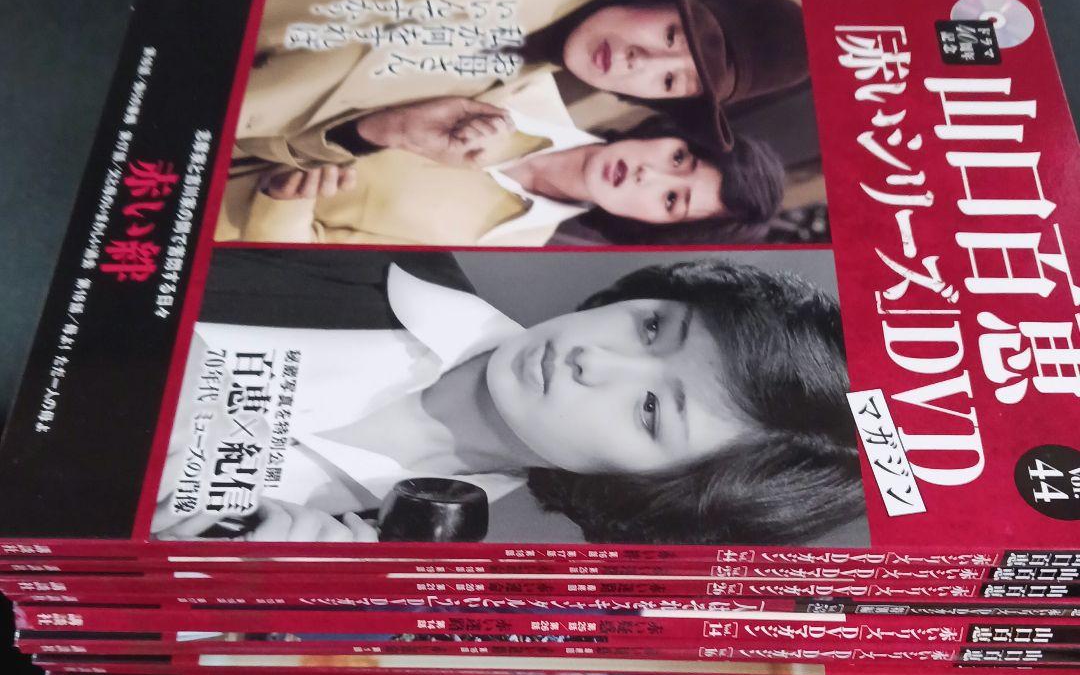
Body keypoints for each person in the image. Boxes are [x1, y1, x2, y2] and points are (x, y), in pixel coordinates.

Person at [152, 252, 864, 546]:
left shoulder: (389, 564)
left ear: (650, 490)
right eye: (652, 328)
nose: (595, 359)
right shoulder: (356, 241)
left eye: (651, 410)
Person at [234, 0, 808, 172]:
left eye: (670, 83)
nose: (642, 62)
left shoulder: (501, 99)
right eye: (672, 38)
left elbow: (267, 137)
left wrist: (384, 131)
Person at [216, 71, 784, 246]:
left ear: (653, 225)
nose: (648, 173)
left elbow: (301, 256)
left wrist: (285, 203)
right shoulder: (519, 84)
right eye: (679, 157)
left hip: (206, 216)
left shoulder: (501, 247)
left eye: (671, 199)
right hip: (227, 104)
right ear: (667, 132)